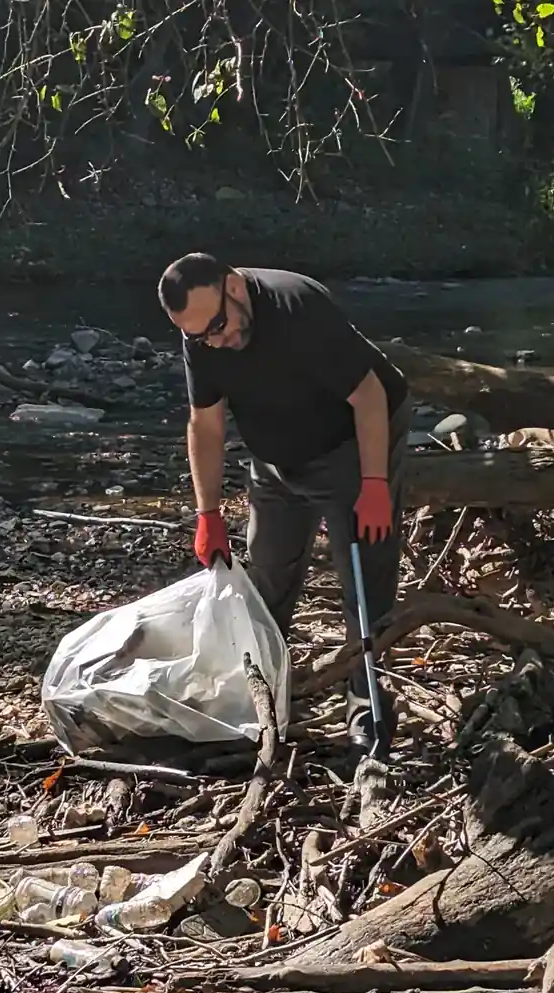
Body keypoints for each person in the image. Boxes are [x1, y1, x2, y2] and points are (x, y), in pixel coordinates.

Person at [157, 253, 410, 752]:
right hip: (275, 459)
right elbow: (205, 425)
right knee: (268, 571)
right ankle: (262, 689)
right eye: (200, 336)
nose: (215, 341)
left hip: (350, 445)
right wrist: (207, 513)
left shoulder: (298, 306)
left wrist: (376, 484)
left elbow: (370, 395)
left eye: (218, 326)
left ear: (233, 286)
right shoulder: (201, 337)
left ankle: (368, 704)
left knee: (364, 571)